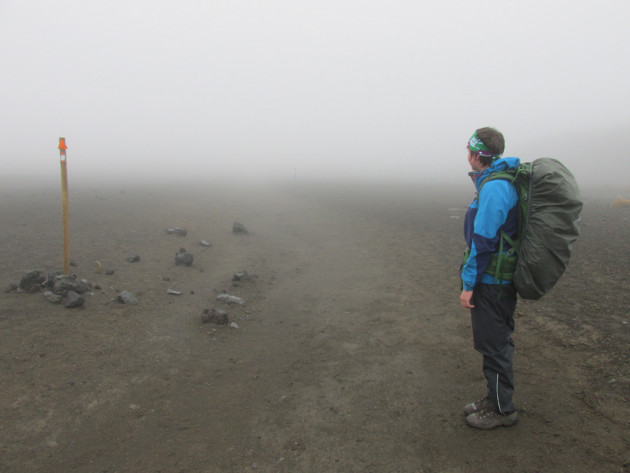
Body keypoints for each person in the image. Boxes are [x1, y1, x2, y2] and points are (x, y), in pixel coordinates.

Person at [459, 127, 520, 430]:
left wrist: (468, 285)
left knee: (494, 344)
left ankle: (502, 410)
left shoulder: (495, 187)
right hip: (496, 279)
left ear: (475, 155)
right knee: (491, 341)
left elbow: (482, 242)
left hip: (493, 281)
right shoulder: (494, 182)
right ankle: (494, 398)